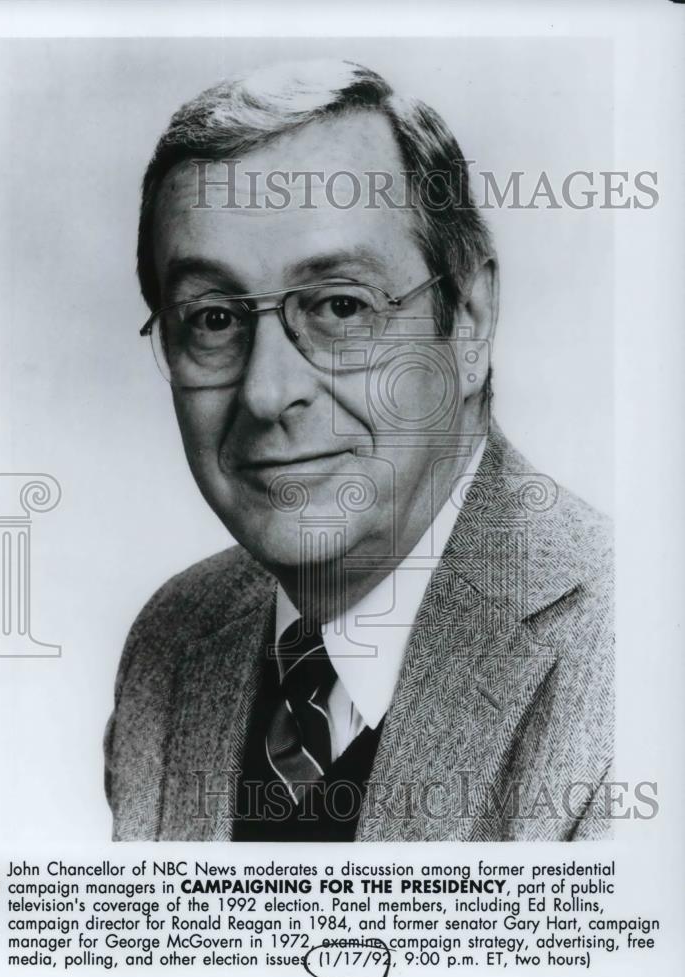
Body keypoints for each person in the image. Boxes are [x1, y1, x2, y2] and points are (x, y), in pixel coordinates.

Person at [104, 59, 613, 842]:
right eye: (213, 320)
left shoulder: (633, 654)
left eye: (341, 307)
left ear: (468, 321)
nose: (267, 393)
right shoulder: (171, 642)